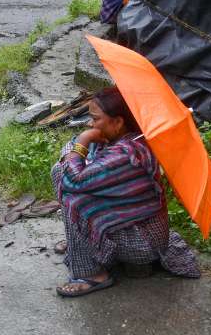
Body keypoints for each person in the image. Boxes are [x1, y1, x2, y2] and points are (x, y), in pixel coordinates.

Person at [50, 86, 200, 297]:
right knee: (65, 173)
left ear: (118, 122)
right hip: (129, 226)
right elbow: (72, 151)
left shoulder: (126, 155)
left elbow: (72, 178)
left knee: (74, 197)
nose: (90, 124)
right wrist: (80, 145)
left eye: (95, 118)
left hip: (142, 243)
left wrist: (83, 141)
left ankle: (93, 274)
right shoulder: (118, 139)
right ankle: (81, 241)